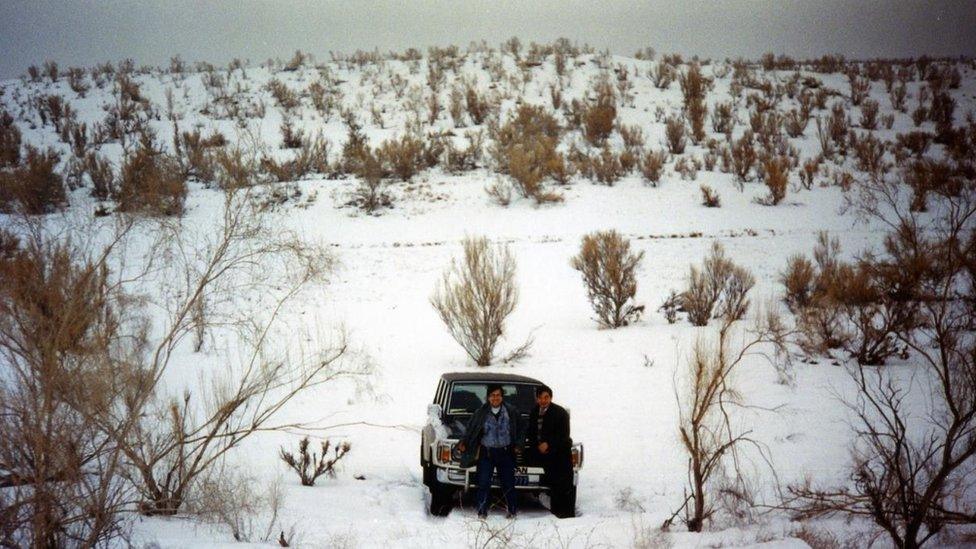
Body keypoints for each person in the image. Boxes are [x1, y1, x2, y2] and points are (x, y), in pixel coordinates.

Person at [456, 384, 525, 519]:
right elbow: (470, 429)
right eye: (492, 395)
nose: (495, 398)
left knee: (508, 483)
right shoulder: (480, 413)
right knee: (483, 483)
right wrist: (463, 442)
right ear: (488, 397)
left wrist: (519, 444)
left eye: (498, 395)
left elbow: (522, 427)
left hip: (506, 453)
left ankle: (512, 511)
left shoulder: (511, 411)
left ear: (502, 397)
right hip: (486, 453)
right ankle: (482, 511)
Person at [527, 385, 575, 518]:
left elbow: (564, 435)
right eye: (540, 398)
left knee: (563, 486)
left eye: (546, 397)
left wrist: (548, 444)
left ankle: (566, 516)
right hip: (543, 455)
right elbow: (531, 432)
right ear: (536, 399)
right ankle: (555, 513)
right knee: (552, 486)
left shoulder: (560, 413)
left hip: (560, 455)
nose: (543, 400)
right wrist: (536, 446)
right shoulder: (534, 412)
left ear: (551, 397)